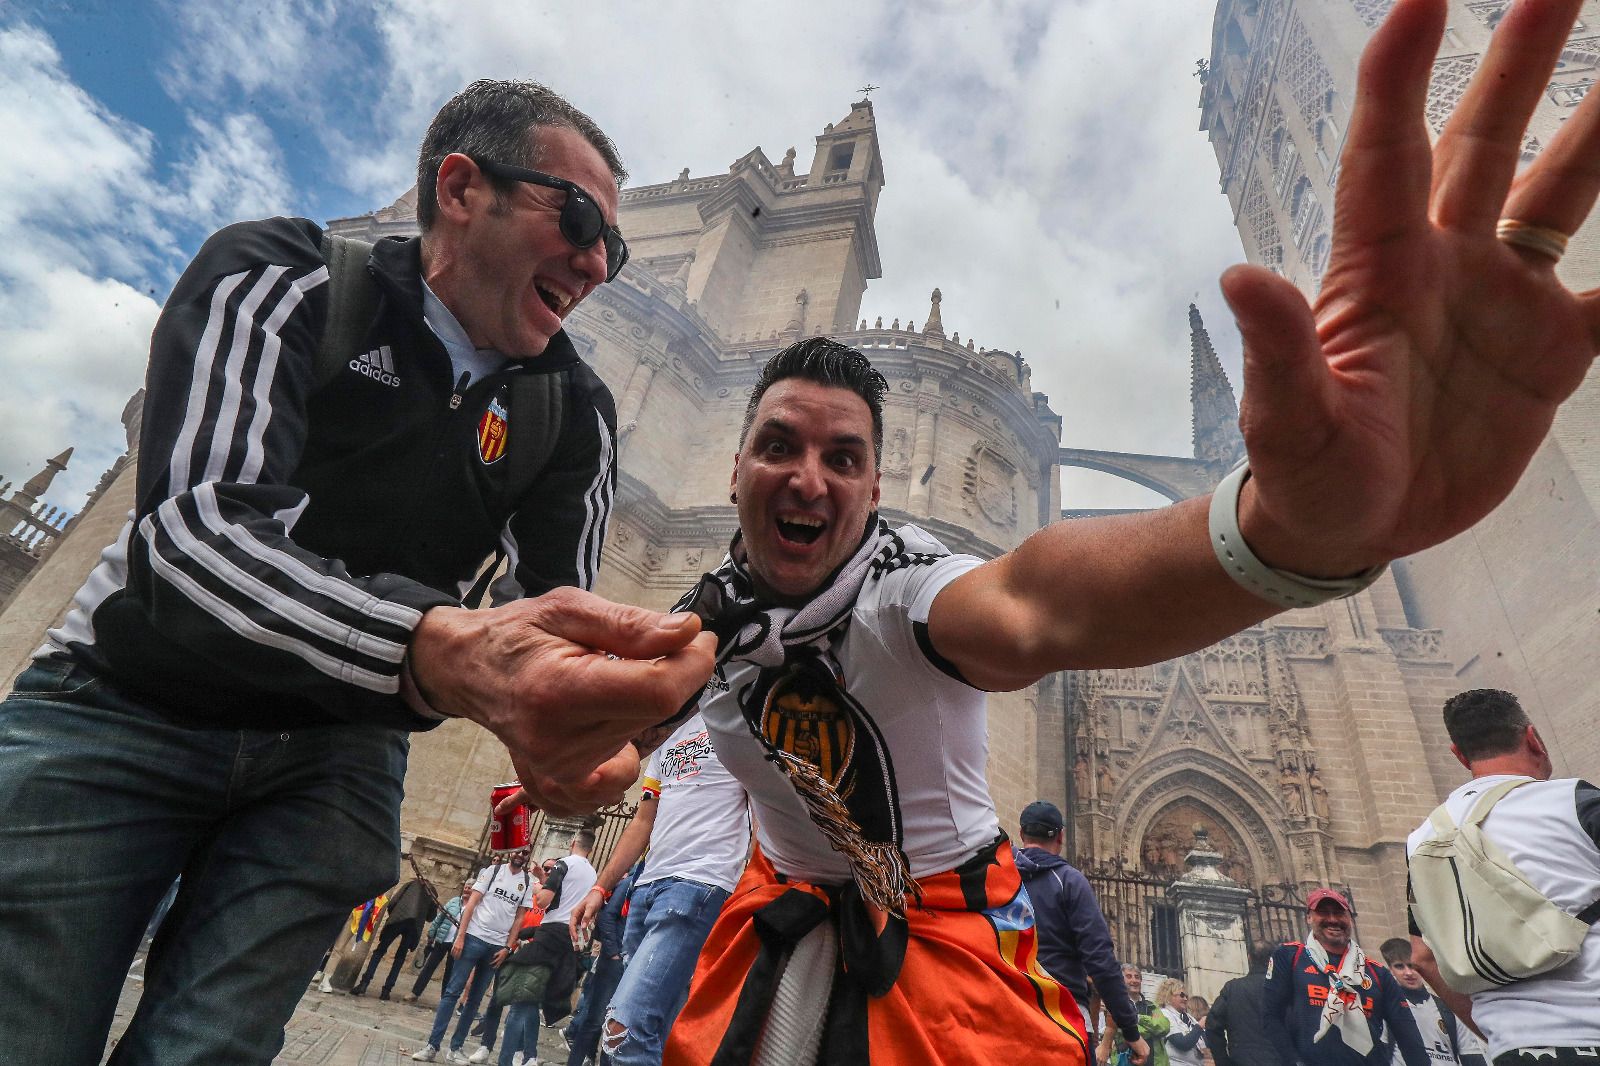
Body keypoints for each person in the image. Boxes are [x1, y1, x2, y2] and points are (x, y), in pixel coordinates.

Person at [0, 79, 718, 1066]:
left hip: (337, 752)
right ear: (460, 189)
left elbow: (551, 618)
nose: (598, 263)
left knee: (210, 1050)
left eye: (616, 247)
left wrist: (579, 722)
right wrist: (429, 642)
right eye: (579, 218)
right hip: (127, 701)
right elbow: (192, 539)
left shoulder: (572, 412)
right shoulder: (281, 276)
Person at [1404, 689, 1600, 1066]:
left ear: (1459, 756)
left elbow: (1424, 958)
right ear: (1533, 739)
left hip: (1511, 1049)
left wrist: (1498, 1036)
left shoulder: (1422, 839)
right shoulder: (1575, 801)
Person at [566, 711, 751, 1066]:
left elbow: (766, 811)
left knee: (624, 1031)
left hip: (699, 887)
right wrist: (600, 889)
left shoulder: (741, 721)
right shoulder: (667, 736)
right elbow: (643, 821)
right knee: (666, 1034)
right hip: (646, 890)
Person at [1013, 799, 1147, 1059]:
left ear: (1021, 834)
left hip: (1006, 1012)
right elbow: (1100, 959)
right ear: (1061, 836)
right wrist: (1131, 1030)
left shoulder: (999, 876)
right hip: (1061, 1015)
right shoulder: (1069, 881)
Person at [1263, 889, 1426, 1066]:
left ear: (1350, 919)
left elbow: (1408, 1036)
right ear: (1309, 917)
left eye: (1339, 913)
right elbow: (1271, 1017)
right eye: (1323, 912)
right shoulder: (1290, 957)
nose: (1333, 919)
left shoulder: (1377, 973)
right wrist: (1293, 1061)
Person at [491, 832, 599, 1066]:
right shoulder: (593, 873)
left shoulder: (564, 863)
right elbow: (569, 897)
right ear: (591, 848)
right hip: (568, 941)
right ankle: (528, 1056)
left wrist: (539, 887)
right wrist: (543, 877)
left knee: (519, 1000)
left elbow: (543, 901)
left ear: (572, 844)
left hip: (549, 936)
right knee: (532, 1001)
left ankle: (506, 1060)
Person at [415, 853, 535, 1063]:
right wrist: (460, 936)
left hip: (497, 947)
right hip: (473, 938)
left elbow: (520, 917)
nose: (521, 855)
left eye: (525, 852)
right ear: (511, 851)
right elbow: (472, 903)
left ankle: (456, 1047)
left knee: (475, 1000)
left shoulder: (526, 882)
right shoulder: (493, 871)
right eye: (518, 850)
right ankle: (432, 1046)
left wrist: (508, 946)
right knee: (453, 992)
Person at [565, 864, 640, 1066]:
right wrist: (614, 954)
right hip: (615, 962)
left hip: (630, 963)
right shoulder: (630, 882)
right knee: (595, 1020)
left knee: (616, 1026)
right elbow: (607, 917)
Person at [1376, 938, 1486, 1066]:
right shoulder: (1387, 1010)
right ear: (1390, 970)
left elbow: (1473, 1058)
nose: (1408, 972)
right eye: (1400, 966)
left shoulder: (1448, 1008)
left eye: (1412, 966)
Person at [354, 877, 440, 999]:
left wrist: (394, 915)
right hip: (413, 925)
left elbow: (394, 901)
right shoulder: (432, 892)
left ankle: (364, 983)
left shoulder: (411, 884)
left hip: (398, 919)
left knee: (379, 951)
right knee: (400, 957)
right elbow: (431, 917)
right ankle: (386, 991)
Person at [1206, 944, 1277, 1066]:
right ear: (1272, 960)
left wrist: (1222, 1061)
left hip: (1241, 1060)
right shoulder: (1283, 990)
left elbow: (1212, 1025)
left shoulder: (1232, 988)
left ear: (1249, 957)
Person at [408, 881, 474, 1003]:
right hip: (443, 939)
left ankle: (445, 999)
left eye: (470, 888)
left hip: (456, 944)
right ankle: (415, 993)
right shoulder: (454, 902)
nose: (467, 889)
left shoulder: (474, 908)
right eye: (466, 887)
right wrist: (432, 933)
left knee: (450, 972)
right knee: (429, 967)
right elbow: (440, 918)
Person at [1103, 965, 1170, 1066]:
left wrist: (1138, 1018)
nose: (1134, 980)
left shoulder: (1151, 1005)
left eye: (1137, 977)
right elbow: (1123, 1030)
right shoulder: (1115, 1005)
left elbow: (1164, 1026)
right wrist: (1153, 1028)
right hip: (1127, 1061)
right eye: (1129, 976)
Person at [1155, 979, 1205, 1066]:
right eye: (1182, 995)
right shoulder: (1164, 1014)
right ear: (1168, 996)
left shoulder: (1188, 1017)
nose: (1185, 999)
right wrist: (1200, 1026)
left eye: (1186, 996)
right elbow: (1182, 1043)